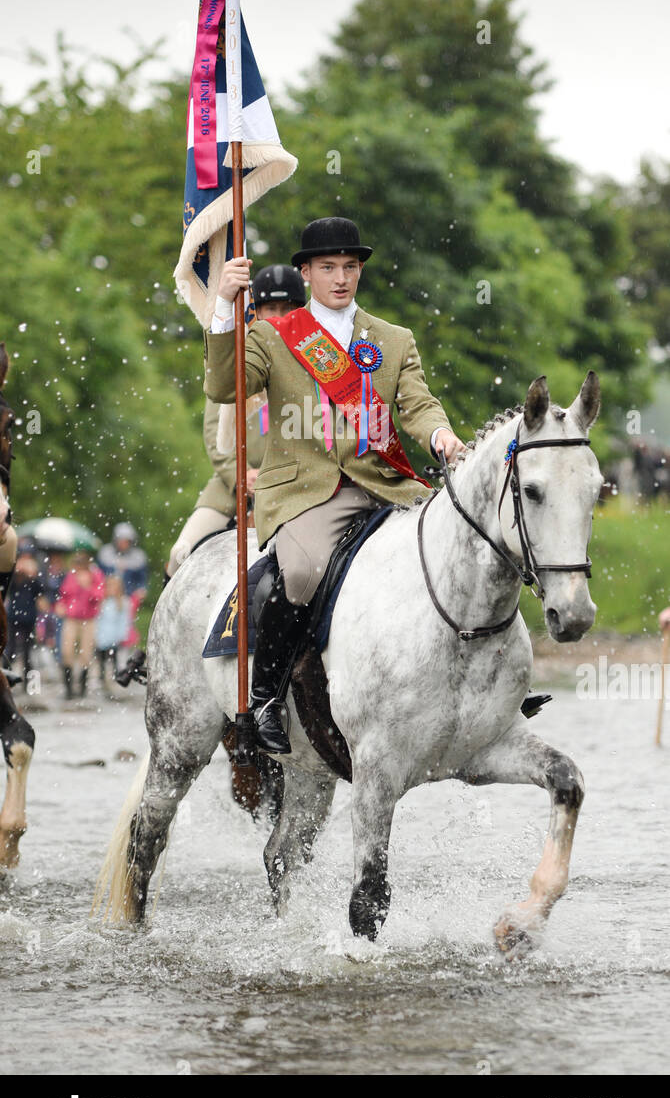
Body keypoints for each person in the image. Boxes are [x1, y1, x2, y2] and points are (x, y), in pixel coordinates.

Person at [204, 216, 464, 754]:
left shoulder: (393, 340)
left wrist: (441, 435)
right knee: (300, 571)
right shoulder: (273, 336)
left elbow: (416, 404)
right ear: (306, 272)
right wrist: (221, 310)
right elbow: (223, 385)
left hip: (385, 485)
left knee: (468, 539)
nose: (341, 278)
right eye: (328, 268)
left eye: (350, 267)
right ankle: (266, 697)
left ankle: (491, 680)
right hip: (305, 492)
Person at [167, 265, 306, 580]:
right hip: (232, 488)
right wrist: (241, 475)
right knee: (181, 554)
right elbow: (215, 436)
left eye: (288, 308)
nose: (279, 316)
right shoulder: (234, 359)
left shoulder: (316, 362)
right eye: (271, 308)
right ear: (256, 312)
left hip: (292, 487)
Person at [55, 550, 106, 698]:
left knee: (86, 654)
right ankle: (68, 689)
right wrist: (60, 605)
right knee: (67, 651)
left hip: (88, 620)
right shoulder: (71, 576)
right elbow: (64, 594)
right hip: (71, 619)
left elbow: (99, 597)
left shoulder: (95, 576)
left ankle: (82, 689)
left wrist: (87, 587)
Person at [5, 552, 48, 689]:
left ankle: (29, 686)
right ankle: (6, 681)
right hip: (13, 618)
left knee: (28, 652)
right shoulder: (13, 579)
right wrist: (15, 572)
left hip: (29, 619)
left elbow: (42, 591)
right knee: (10, 651)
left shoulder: (33, 580)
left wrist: (33, 576)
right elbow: (6, 588)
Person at [95, 575, 132, 684]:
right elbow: (98, 619)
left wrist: (122, 635)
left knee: (115, 659)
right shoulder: (102, 602)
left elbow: (124, 621)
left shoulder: (123, 602)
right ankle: (102, 680)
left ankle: (116, 678)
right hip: (101, 636)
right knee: (101, 660)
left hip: (114, 637)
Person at [97, 524, 148, 601]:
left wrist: (140, 590)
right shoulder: (105, 553)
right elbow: (98, 575)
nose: (123, 544)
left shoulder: (138, 557)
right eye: (121, 541)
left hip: (129, 597)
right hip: (107, 596)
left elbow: (142, 579)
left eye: (126, 541)